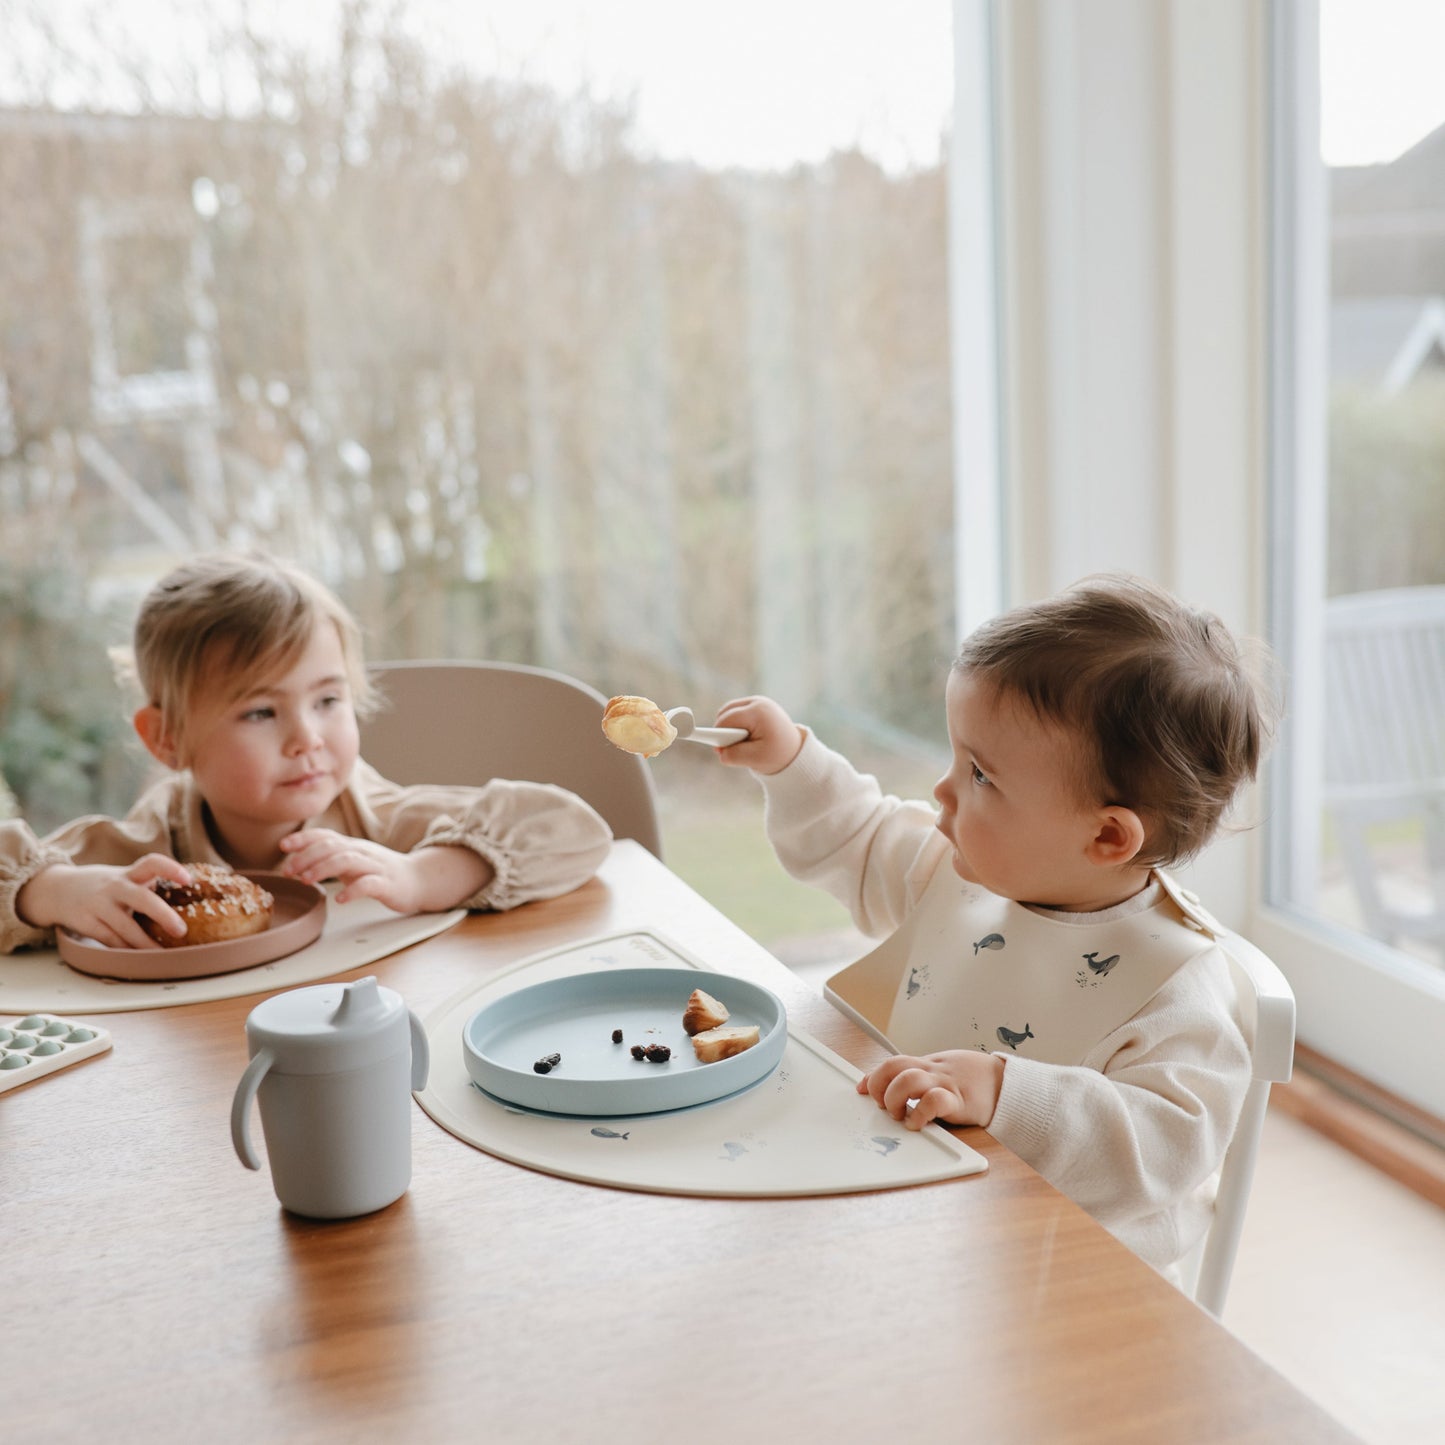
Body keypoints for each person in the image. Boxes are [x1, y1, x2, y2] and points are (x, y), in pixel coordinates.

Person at [713, 574, 1279, 1281]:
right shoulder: (960, 873)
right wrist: (791, 762)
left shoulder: (1173, 984)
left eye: (980, 774)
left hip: (1061, 1289)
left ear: (1107, 836)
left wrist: (1008, 1093)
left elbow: (1163, 1147)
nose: (942, 790)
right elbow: (858, 837)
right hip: (920, 1229)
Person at [1, 552, 613, 952]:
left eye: (327, 701)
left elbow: (576, 832)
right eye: (261, 712)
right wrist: (51, 892)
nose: (307, 739)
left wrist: (423, 875)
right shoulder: (148, 851)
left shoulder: (377, 824)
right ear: (166, 738)